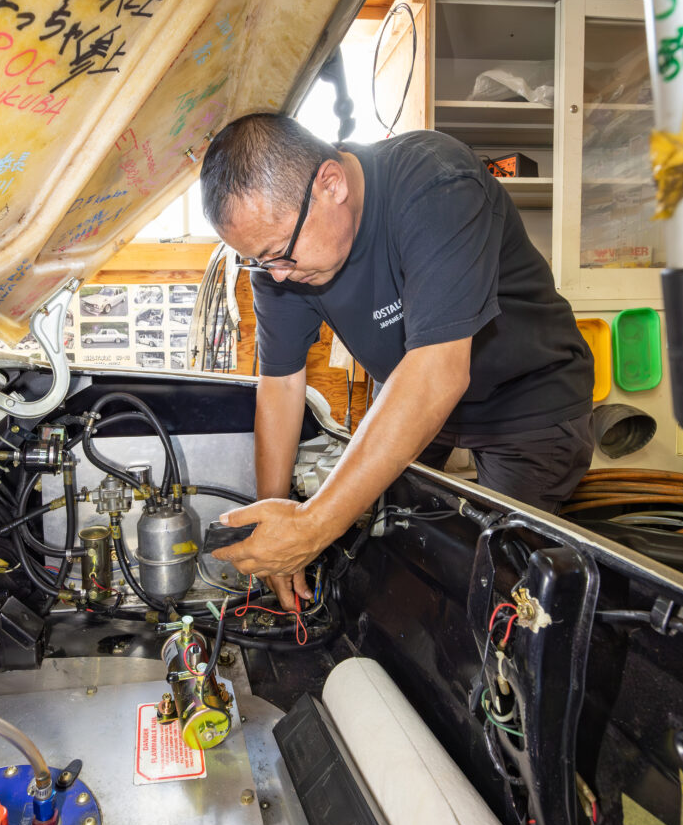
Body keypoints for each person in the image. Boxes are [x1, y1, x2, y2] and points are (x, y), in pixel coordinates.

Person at [198, 114, 594, 610]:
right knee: (390, 551)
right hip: (419, 396)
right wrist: (274, 527)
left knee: (498, 586)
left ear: (331, 184)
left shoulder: (436, 183)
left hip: (525, 399)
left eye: (278, 254)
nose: (275, 275)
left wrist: (313, 525)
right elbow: (280, 386)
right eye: (260, 261)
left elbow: (437, 374)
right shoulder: (280, 261)